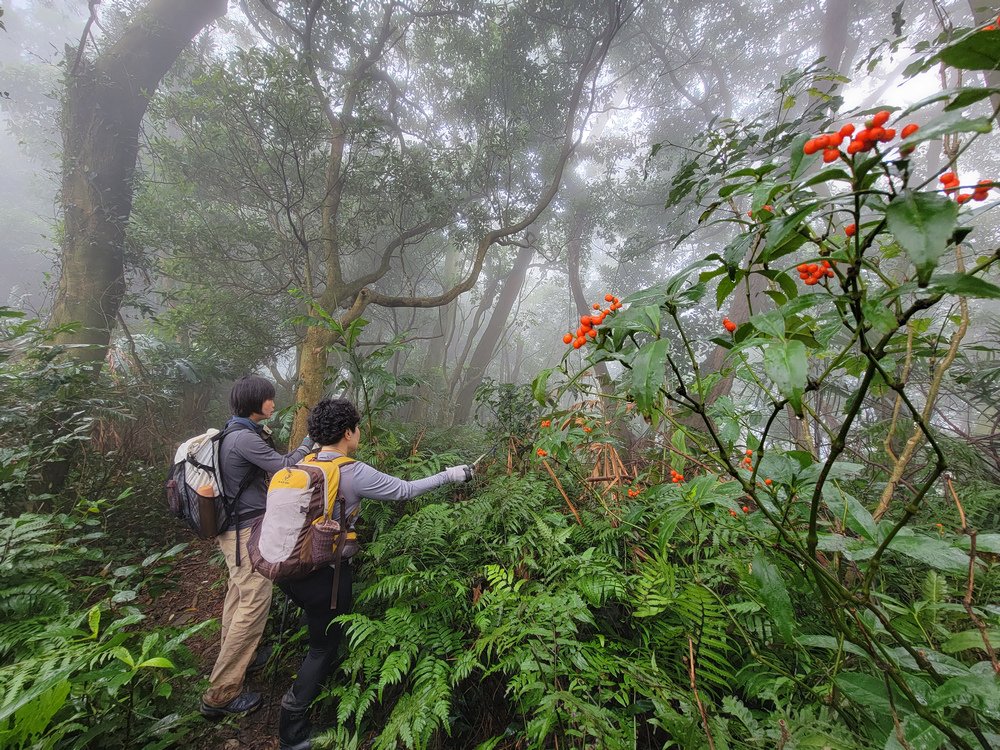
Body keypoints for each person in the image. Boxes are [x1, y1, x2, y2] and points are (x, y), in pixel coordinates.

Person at [277, 397, 472, 750]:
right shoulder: (352, 471)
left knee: (316, 631)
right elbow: (404, 490)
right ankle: (292, 730)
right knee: (323, 648)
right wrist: (451, 474)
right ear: (349, 432)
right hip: (326, 577)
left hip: (286, 570)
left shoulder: (300, 463)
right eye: (357, 428)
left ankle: (307, 695)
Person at [200, 376, 316, 719]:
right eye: (269, 398)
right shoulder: (242, 439)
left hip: (236, 532)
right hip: (245, 534)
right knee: (253, 604)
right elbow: (285, 466)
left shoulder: (233, 432)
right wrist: (309, 441)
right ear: (256, 402)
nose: (273, 401)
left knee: (238, 598)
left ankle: (240, 661)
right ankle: (220, 695)